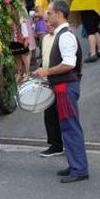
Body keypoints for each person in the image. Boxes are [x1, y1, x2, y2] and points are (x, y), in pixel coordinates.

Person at [33, 1, 88, 183]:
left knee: (71, 128)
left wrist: (46, 71)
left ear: (58, 14)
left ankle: (79, 169)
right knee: (67, 128)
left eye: (49, 13)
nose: (46, 16)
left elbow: (69, 64)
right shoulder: (61, 34)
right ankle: (75, 164)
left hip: (66, 87)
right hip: (62, 87)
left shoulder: (65, 36)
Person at [39, 15, 63, 157]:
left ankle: (67, 143)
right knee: (49, 114)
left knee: (64, 115)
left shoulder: (62, 36)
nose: (46, 24)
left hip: (60, 79)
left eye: (48, 21)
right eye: (44, 22)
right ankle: (55, 144)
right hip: (48, 80)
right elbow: (45, 58)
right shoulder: (45, 39)